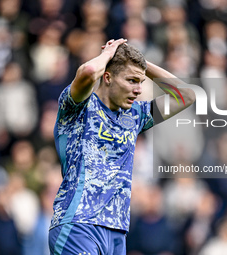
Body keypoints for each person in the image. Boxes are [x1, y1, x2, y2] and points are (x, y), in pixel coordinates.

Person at [48, 38, 195, 255]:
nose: (138, 90)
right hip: (77, 224)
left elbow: (186, 95)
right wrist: (109, 54)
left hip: (117, 231)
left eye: (140, 82)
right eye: (131, 80)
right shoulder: (79, 106)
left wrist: (142, 64)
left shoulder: (135, 115)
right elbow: (89, 70)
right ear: (107, 77)